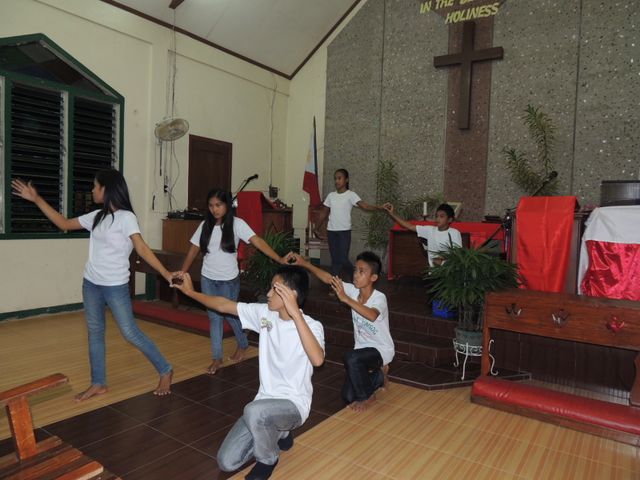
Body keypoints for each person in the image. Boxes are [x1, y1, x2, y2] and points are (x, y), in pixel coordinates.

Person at [11, 170, 173, 401]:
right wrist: (36, 199)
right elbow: (63, 223)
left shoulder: (126, 218)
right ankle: (98, 383)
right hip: (91, 284)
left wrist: (166, 273)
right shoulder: (97, 216)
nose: (92, 190)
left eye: (95, 186)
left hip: (115, 286)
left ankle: (165, 369)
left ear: (106, 189)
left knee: (130, 333)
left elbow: (142, 248)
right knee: (95, 333)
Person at [171, 266, 324, 480]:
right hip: (263, 405)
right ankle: (281, 432)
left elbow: (317, 359)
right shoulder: (265, 314)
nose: (268, 294)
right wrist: (190, 292)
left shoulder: (312, 326)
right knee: (227, 462)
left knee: (253, 411)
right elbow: (223, 305)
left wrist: (296, 314)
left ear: (292, 294)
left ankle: (268, 459)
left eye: (275, 289)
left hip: (294, 406)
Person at [176, 189, 287, 375]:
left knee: (230, 314)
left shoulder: (237, 224)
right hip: (208, 279)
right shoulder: (205, 225)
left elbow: (258, 241)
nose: (214, 209)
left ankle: (242, 343)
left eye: (218, 205)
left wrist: (279, 259)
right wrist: (183, 271)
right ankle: (217, 358)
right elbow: (193, 249)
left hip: (228, 281)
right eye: (211, 206)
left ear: (227, 205)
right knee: (214, 318)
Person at [287, 251, 394, 413]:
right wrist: (304, 263)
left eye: (362, 271)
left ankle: (368, 397)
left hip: (381, 350)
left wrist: (346, 299)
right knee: (348, 396)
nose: (356, 275)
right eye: (355, 270)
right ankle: (379, 376)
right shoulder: (353, 291)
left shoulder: (379, 298)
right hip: (361, 351)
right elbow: (329, 279)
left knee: (351, 358)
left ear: (373, 277)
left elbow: (372, 315)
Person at [318, 168, 381, 279]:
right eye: (335, 179)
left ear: (346, 180)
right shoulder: (331, 196)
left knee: (342, 258)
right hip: (331, 232)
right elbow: (324, 212)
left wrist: (380, 207)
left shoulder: (351, 195)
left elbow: (365, 206)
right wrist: (316, 227)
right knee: (335, 260)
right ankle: (334, 284)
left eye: (339, 178)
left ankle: (355, 276)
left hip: (344, 232)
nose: (337, 181)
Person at [383, 202, 462, 267]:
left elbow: (458, 253)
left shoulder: (454, 233)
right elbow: (410, 226)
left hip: (449, 271)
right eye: (436, 216)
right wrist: (392, 213)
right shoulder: (430, 230)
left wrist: (442, 258)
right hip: (433, 272)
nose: (438, 219)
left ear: (450, 219)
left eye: (441, 216)